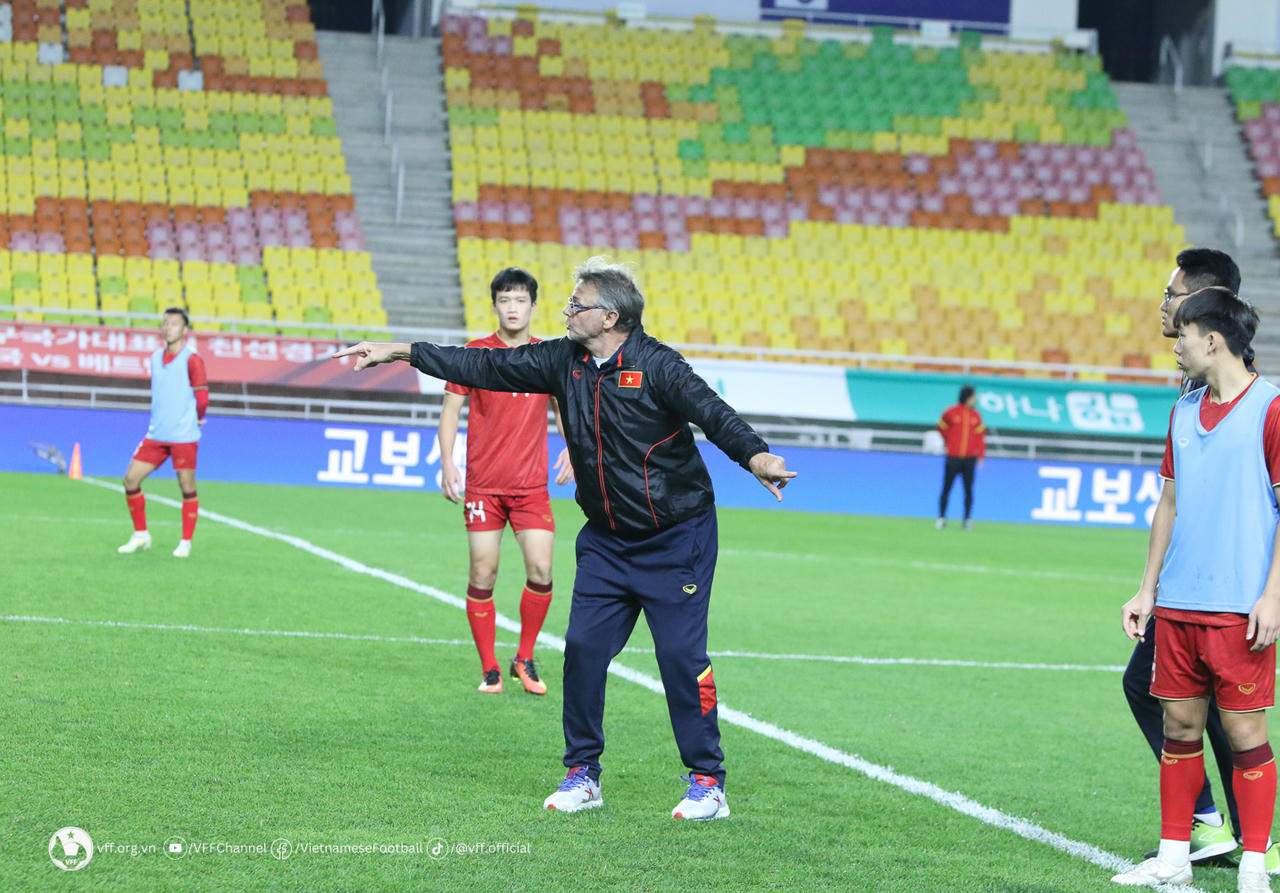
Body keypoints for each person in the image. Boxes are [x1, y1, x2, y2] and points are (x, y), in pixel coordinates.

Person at [334, 256, 796, 821]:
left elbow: (713, 413)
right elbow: (482, 366)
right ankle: (583, 774)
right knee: (581, 653)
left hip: (677, 538)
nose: (565, 311)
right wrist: (401, 350)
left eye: (576, 305)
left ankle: (708, 783)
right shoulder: (561, 359)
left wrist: (756, 456)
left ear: (609, 317)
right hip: (605, 540)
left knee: (680, 658)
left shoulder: (659, 365)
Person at [1113, 287, 1280, 892]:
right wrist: (1146, 590)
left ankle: (1256, 865)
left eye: (1182, 334)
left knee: (1244, 735)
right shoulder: (1183, 410)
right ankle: (1173, 856)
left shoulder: (1272, 408)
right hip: (1179, 603)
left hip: (1240, 607)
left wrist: (1272, 597)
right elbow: (1170, 501)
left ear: (1213, 340)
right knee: (1180, 728)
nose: (1175, 344)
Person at [437, 267, 574, 696]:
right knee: (483, 572)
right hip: (484, 486)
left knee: (543, 567)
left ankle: (524, 657)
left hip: (531, 486)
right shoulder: (475, 354)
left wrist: (573, 447)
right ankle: (490, 667)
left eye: (520, 301)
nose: (512, 308)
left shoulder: (549, 356)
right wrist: (447, 463)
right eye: (504, 300)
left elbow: (566, 408)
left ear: (533, 307)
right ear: (495, 305)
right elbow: (450, 411)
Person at [117, 306, 208, 558]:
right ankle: (141, 534)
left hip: (183, 435)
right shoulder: (155, 358)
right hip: (156, 434)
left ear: (185, 330)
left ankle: (185, 542)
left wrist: (199, 419)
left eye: (174, 324)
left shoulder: (192, 359)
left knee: (186, 486)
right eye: (165, 323)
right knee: (130, 480)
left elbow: (202, 397)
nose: (168, 328)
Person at [935, 384, 984, 530]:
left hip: (969, 459)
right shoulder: (951, 412)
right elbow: (941, 428)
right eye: (974, 396)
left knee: (968, 489)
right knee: (947, 488)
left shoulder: (976, 416)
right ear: (967, 397)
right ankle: (942, 517)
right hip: (953, 457)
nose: (976, 399)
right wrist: (949, 442)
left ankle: (967, 519)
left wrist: (980, 454)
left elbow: (980, 437)